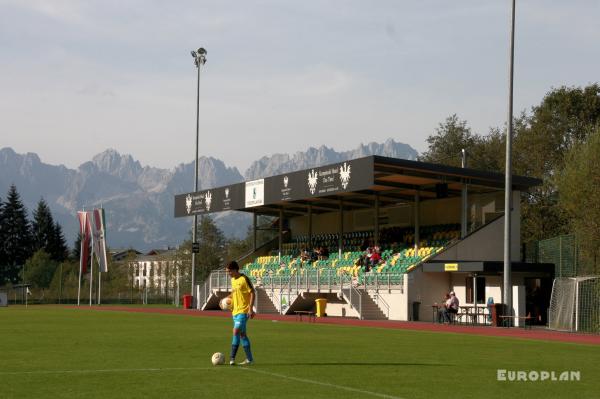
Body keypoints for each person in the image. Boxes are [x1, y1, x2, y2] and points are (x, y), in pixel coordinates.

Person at [225, 260, 255, 365]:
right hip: (235, 312)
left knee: (236, 331)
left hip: (244, 311)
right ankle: (250, 359)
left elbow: (252, 293)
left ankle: (232, 358)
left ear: (234, 269)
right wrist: (226, 299)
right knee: (242, 335)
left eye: (229, 271)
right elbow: (234, 293)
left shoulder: (244, 279)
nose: (228, 274)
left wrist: (250, 308)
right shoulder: (233, 280)